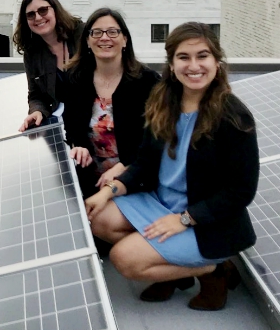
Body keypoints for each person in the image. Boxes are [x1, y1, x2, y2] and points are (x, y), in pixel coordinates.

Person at [89, 22, 259, 311]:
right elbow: (144, 163)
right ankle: (170, 266)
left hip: (205, 221)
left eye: (202, 56)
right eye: (184, 57)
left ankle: (214, 270)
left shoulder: (234, 117)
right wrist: (109, 190)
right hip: (160, 203)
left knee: (124, 259)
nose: (194, 66)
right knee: (97, 216)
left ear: (216, 62)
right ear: (172, 63)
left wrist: (184, 219)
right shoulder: (164, 102)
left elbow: (241, 191)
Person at [62, 8, 159, 198]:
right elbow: (71, 126)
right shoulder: (75, 79)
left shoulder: (147, 82)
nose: (104, 38)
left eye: (112, 32)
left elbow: (155, 138)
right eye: (96, 32)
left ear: (124, 40)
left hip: (134, 179)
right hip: (88, 180)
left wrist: (125, 167)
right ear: (88, 41)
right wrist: (78, 145)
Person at [14, 0, 83, 132]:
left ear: (55, 10)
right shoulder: (32, 53)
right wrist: (37, 111)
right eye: (31, 15)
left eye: (43, 10)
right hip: (65, 122)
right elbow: (36, 95)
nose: (38, 18)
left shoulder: (82, 34)